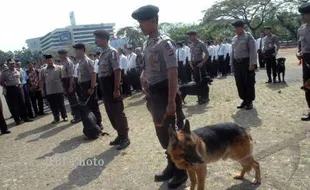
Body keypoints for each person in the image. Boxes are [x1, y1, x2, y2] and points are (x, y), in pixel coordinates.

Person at [132, 5, 188, 189]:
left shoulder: (165, 42)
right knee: (162, 131)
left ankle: (182, 171)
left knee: (174, 132)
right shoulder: (147, 43)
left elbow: (173, 71)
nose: (140, 25)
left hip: (166, 92)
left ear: (153, 20)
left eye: (142, 21)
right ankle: (172, 164)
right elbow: (147, 67)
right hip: (154, 94)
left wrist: (172, 101)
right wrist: (143, 76)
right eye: (139, 22)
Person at [94, 30, 130, 150]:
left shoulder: (112, 52)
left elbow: (117, 70)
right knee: (111, 113)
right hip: (104, 87)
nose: (95, 40)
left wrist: (116, 88)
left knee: (118, 112)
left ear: (104, 39)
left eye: (97, 38)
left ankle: (125, 137)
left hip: (111, 86)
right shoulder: (103, 53)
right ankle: (120, 135)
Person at [73, 43, 103, 129]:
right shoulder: (81, 61)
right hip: (83, 86)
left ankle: (99, 123)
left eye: (77, 49)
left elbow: (93, 74)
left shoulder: (87, 60)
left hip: (88, 85)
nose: (76, 51)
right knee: (87, 106)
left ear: (82, 50)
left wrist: (92, 87)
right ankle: (93, 124)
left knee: (93, 105)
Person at [230, 20, 257, 110]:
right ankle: (244, 99)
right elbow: (232, 53)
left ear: (242, 27)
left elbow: (253, 51)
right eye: (235, 28)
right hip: (237, 63)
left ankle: (249, 101)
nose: (236, 29)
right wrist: (232, 65)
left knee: (248, 82)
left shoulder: (248, 37)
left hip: (246, 62)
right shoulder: (234, 39)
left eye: (237, 27)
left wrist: (252, 63)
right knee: (239, 83)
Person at [0, 59, 33, 125]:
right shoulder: (4, 72)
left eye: (13, 63)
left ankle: (26, 117)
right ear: (8, 65)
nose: (12, 65)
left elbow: (20, 78)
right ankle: (17, 120)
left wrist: (19, 84)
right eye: (10, 64)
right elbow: (1, 82)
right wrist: (7, 86)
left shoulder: (18, 70)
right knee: (14, 105)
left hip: (18, 88)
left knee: (22, 103)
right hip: (10, 89)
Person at [40, 54, 68, 123]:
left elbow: (63, 79)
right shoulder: (43, 70)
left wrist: (64, 88)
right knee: (53, 106)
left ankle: (64, 116)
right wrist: (42, 90)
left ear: (52, 60)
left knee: (61, 104)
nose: (49, 61)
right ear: (46, 61)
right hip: (49, 90)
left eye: (50, 60)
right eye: (48, 60)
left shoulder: (59, 68)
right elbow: (42, 81)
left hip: (59, 89)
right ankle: (56, 118)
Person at [58, 49, 81, 124]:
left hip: (69, 81)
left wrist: (70, 86)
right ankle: (75, 115)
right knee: (70, 100)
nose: (60, 56)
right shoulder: (63, 62)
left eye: (62, 54)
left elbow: (71, 76)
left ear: (65, 54)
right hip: (65, 81)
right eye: (60, 54)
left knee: (73, 100)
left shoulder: (68, 62)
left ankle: (78, 116)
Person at [187, 30, 209, 104]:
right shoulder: (191, 44)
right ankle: (199, 96)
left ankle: (206, 97)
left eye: (191, 35)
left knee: (203, 81)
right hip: (194, 64)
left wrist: (202, 63)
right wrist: (190, 62)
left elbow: (207, 54)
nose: (190, 37)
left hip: (200, 64)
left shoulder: (201, 43)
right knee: (197, 81)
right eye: (189, 36)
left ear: (195, 35)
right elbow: (192, 54)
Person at [297, 2, 310, 121]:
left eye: (304, 14)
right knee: (307, 85)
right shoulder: (301, 29)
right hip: (306, 60)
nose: (302, 17)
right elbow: (300, 45)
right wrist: (299, 53)